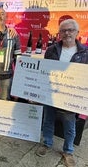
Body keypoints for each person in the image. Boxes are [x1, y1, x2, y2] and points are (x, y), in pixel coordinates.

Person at [36, 19, 88, 167]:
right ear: (59, 33)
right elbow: (45, 71)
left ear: (77, 32)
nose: (67, 33)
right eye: (64, 30)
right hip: (51, 93)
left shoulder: (84, 52)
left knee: (70, 125)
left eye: (70, 30)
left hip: (70, 96)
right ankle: (47, 143)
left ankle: (68, 151)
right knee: (48, 120)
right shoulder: (51, 50)